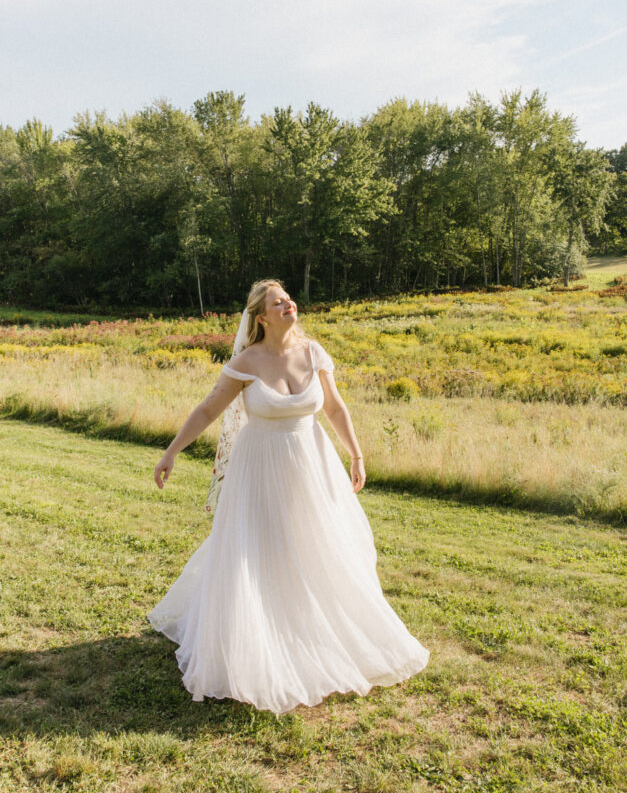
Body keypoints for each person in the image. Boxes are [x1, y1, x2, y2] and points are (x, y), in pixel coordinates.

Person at [148, 278, 429, 714]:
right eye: (279, 302)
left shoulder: (313, 352)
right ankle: (258, 635)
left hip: (312, 467)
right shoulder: (246, 362)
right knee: (260, 551)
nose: (289, 304)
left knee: (317, 545)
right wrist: (171, 453)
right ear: (261, 317)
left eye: (289, 299)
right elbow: (207, 409)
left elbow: (334, 408)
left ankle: (315, 628)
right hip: (259, 469)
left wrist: (356, 454)